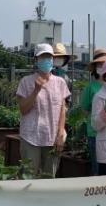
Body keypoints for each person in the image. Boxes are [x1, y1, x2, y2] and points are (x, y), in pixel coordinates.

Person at [16, 43, 70, 176]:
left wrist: (60, 134)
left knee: (49, 176)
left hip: (52, 136)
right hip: (31, 136)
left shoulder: (60, 82)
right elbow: (23, 109)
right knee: (28, 176)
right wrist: (36, 90)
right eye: (42, 57)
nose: (46, 61)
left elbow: (62, 110)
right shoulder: (26, 82)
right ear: (36, 60)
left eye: (49, 57)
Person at [80, 48, 106, 175]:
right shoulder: (90, 87)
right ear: (95, 68)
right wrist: (97, 119)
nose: (102, 67)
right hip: (95, 133)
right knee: (97, 167)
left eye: (105, 64)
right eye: (99, 64)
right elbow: (85, 110)